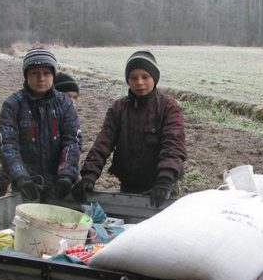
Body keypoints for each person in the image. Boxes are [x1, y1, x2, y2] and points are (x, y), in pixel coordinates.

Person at [72, 50, 186, 208]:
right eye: (133, 77)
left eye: (145, 77)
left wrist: (165, 180)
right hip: (129, 185)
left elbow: (173, 144)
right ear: (128, 80)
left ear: (154, 78)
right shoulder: (118, 108)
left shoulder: (168, 107)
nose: (139, 82)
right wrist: (89, 176)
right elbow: (103, 144)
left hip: (162, 188)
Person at [0, 48, 81, 202]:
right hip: (26, 186)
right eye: (35, 73)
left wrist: (66, 175)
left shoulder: (65, 104)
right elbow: (7, 144)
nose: (41, 78)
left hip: (57, 184)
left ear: (53, 75)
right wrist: (20, 176)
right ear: (26, 75)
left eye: (46, 73)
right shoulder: (13, 105)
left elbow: (72, 141)